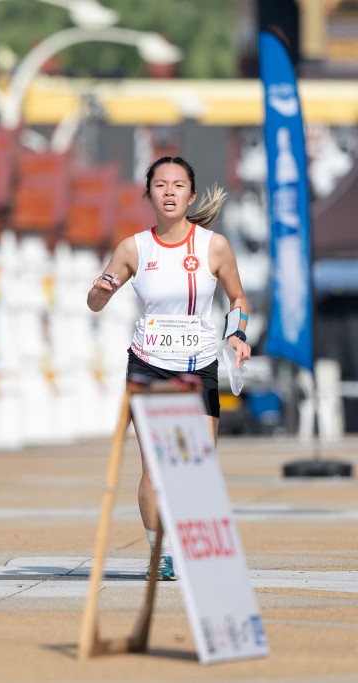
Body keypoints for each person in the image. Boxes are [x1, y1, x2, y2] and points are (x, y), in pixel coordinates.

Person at [86, 156, 252, 582]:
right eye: (160, 185)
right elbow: (95, 298)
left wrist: (237, 335)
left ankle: (191, 543)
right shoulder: (133, 248)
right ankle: (161, 552)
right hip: (148, 364)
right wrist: (101, 292)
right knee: (155, 469)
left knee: (198, 466)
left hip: (198, 366)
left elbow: (237, 299)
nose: (170, 192)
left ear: (191, 195)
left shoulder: (213, 246)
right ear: (149, 195)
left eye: (178, 185)